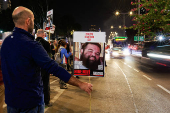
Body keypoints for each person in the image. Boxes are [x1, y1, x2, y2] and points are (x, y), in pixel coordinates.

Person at [1, 6, 92, 113]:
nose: (33, 23)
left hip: (11, 103)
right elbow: (53, 68)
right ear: (28, 21)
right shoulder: (31, 45)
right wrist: (80, 84)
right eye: (33, 20)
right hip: (30, 104)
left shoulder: (6, 42)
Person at [36, 29, 52, 107]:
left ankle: (36, 101)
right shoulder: (46, 44)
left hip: (35, 68)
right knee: (45, 84)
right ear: (43, 34)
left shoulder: (32, 42)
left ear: (36, 34)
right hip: (44, 68)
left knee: (35, 85)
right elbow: (49, 57)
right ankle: (46, 101)